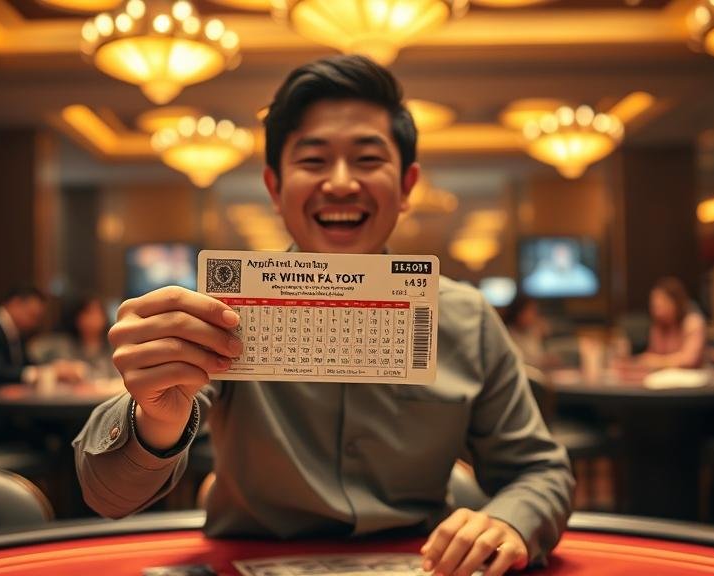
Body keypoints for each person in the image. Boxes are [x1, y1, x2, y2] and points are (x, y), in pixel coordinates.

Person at [74, 55, 573, 575]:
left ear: (407, 186)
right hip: (247, 559)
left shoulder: (467, 319)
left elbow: (540, 471)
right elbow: (107, 496)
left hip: (420, 561)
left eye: (367, 159)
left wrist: (511, 521)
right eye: (313, 160)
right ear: (274, 187)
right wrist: (155, 418)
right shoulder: (221, 314)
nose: (340, 183)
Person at [0, 285, 82, 386]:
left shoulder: (14, 329)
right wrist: (39, 373)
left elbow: (26, 363)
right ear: (15, 303)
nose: (34, 323)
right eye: (32, 316)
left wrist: (52, 368)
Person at [636, 276, 706, 369]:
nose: (657, 311)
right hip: (664, 376)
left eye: (661, 305)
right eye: (654, 306)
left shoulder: (693, 323)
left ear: (676, 303)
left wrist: (657, 361)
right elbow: (651, 356)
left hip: (693, 376)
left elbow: (689, 359)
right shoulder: (657, 326)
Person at [43, 295, 117, 380]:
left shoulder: (112, 347)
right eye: (87, 313)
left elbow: (116, 376)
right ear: (77, 318)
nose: (92, 319)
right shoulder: (65, 344)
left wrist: (84, 372)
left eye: (97, 313)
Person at [522, 240, 597, 298]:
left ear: (572, 255)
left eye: (564, 254)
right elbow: (526, 288)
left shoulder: (584, 275)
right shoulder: (541, 275)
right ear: (552, 256)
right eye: (558, 254)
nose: (561, 258)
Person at [502, 294, 553, 369]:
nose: (534, 315)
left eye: (535, 311)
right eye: (530, 311)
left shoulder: (533, 330)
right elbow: (520, 362)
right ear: (518, 313)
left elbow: (538, 354)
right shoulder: (508, 335)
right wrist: (543, 361)